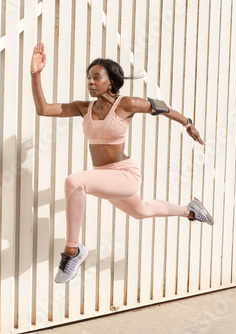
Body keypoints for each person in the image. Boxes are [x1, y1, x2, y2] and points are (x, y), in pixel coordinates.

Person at [30, 41, 214, 284]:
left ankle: (72, 252)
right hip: (105, 177)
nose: (91, 82)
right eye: (89, 78)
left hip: (125, 176)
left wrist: (187, 123)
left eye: (97, 77)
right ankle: (191, 211)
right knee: (142, 211)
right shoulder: (83, 108)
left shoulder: (126, 104)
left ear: (111, 82)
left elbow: (161, 107)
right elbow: (43, 109)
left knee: (74, 182)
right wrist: (35, 74)